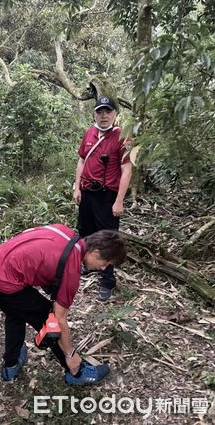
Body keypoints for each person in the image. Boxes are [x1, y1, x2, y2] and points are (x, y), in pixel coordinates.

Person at [0, 223, 126, 385]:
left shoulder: (62, 231)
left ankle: (11, 365)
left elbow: (35, 252)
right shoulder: (71, 269)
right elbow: (59, 319)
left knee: (17, 310)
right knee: (49, 321)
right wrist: (70, 353)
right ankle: (76, 371)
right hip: (0, 283)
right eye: (105, 263)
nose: (103, 268)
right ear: (95, 252)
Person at [73, 96, 132, 301]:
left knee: (108, 238)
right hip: (87, 192)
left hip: (107, 196)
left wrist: (119, 200)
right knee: (85, 231)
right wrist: (77, 187)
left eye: (108, 111)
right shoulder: (89, 132)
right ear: (94, 114)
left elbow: (126, 170)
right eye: (100, 112)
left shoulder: (121, 136)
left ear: (115, 114)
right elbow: (81, 161)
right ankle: (88, 265)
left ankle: (107, 280)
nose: (103, 115)